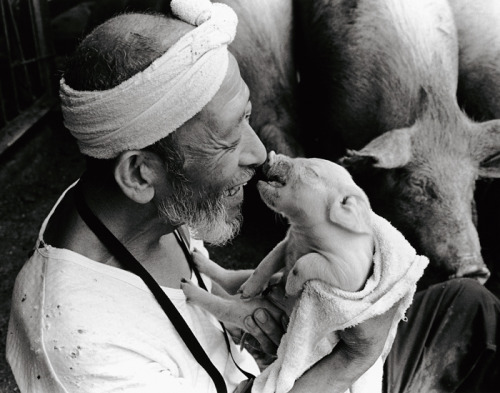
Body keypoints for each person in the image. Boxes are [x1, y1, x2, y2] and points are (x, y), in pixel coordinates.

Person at [5, 0, 500, 392]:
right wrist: (356, 354)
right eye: (227, 137)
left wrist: (243, 305)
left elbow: (198, 291)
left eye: (247, 116)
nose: (260, 154)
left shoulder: (135, 206)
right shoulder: (83, 352)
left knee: (471, 303)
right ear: (138, 173)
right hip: (326, 377)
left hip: (278, 365)